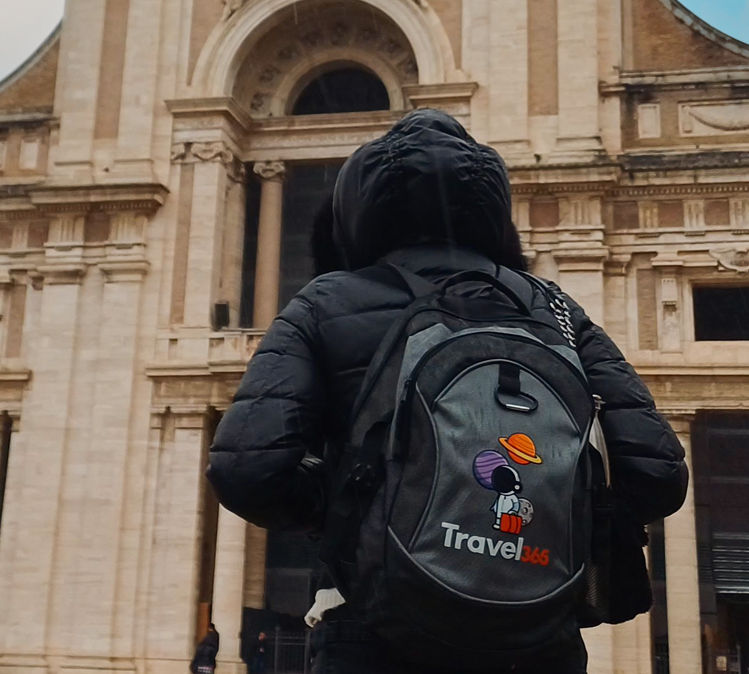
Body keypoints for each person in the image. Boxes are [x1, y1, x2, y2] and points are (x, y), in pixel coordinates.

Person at [207, 110, 689, 674]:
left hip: (375, 637)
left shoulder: (326, 301)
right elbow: (658, 476)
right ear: (491, 209)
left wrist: (357, 504)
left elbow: (246, 470)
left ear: (361, 208)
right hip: (536, 642)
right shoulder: (556, 310)